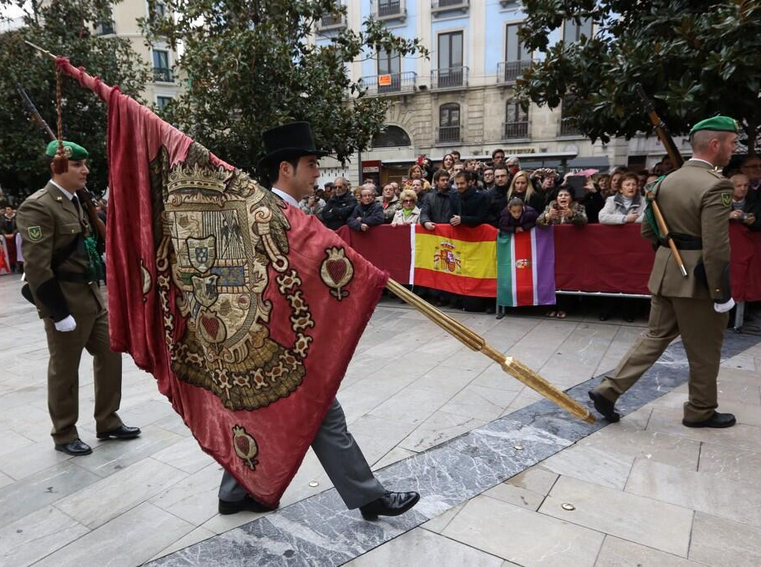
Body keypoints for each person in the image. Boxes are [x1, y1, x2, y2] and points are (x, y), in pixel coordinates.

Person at [219, 121, 420, 518]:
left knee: (264, 414)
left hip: (291, 341)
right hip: (270, 342)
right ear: (285, 170)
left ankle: (234, 492)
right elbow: (228, 276)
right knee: (322, 414)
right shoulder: (255, 214)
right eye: (311, 164)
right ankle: (369, 497)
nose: (317, 173)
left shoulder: (297, 215)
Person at [589, 116, 739, 429]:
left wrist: (672, 254)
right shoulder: (716, 185)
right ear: (715, 144)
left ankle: (609, 389)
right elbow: (716, 248)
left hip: (666, 271)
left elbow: (648, 231)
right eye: (732, 142)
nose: (734, 147)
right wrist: (720, 293)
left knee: (654, 337)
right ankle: (700, 409)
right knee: (704, 349)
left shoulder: (663, 183)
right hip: (698, 280)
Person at [15, 140, 140, 456]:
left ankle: (107, 420)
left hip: (92, 298)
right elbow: (38, 268)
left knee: (111, 355)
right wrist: (58, 313)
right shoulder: (38, 206)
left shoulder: (76, 201)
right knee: (65, 370)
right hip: (65, 302)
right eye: (77, 165)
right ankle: (64, 432)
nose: (85, 170)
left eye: (85, 165)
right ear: (57, 168)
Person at [1, 205, 18, 272]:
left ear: (12, 210)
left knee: (17, 250)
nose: (7, 211)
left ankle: (19, 266)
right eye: (6, 209)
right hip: (6, 236)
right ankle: (12, 266)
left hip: (15, 235)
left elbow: (18, 226)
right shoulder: (2, 218)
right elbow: (1, 228)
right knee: (9, 251)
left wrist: (14, 233)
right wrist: (5, 234)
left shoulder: (16, 217)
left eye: (9, 209)